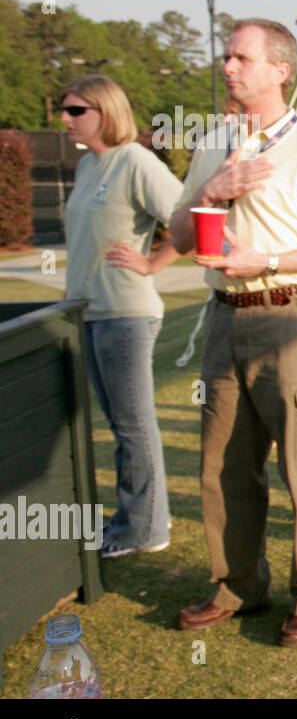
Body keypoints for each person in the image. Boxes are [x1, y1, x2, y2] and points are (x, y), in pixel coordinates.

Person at [169, 19, 297, 647]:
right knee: (224, 467)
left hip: (292, 317)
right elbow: (176, 236)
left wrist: (269, 262)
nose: (228, 67)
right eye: (226, 56)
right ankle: (238, 587)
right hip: (225, 319)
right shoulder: (212, 145)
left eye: (242, 58)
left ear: (281, 71)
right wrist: (213, 189)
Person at [60, 75, 183, 559]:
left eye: (75, 111)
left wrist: (153, 262)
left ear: (104, 110)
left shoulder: (135, 160)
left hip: (126, 314)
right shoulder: (88, 165)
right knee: (119, 423)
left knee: (133, 425)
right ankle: (144, 515)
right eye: (65, 111)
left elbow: (189, 216)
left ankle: (146, 531)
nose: (65, 119)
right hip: (89, 314)